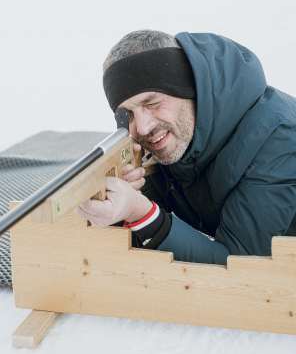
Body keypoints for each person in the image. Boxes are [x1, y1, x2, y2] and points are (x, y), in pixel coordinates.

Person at [78, 30, 296, 264]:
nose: (142, 127)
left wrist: (141, 213)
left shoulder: (278, 138)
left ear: (191, 89)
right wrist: (118, 202)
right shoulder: (171, 139)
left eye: (152, 103)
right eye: (128, 114)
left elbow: (240, 268)